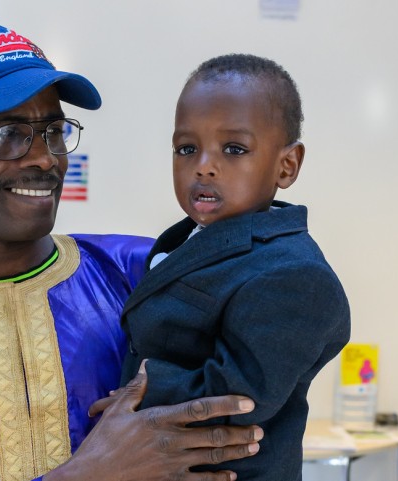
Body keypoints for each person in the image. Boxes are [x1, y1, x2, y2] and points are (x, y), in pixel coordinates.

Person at [0, 23, 264, 481]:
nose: (45, 158)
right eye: (9, 133)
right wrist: (89, 475)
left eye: (53, 131)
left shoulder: (143, 272)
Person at [116, 54, 352, 480]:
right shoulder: (192, 236)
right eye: (186, 148)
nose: (203, 166)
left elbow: (240, 396)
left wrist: (137, 390)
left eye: (234, 149)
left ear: (287, 166)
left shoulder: (293, 273)